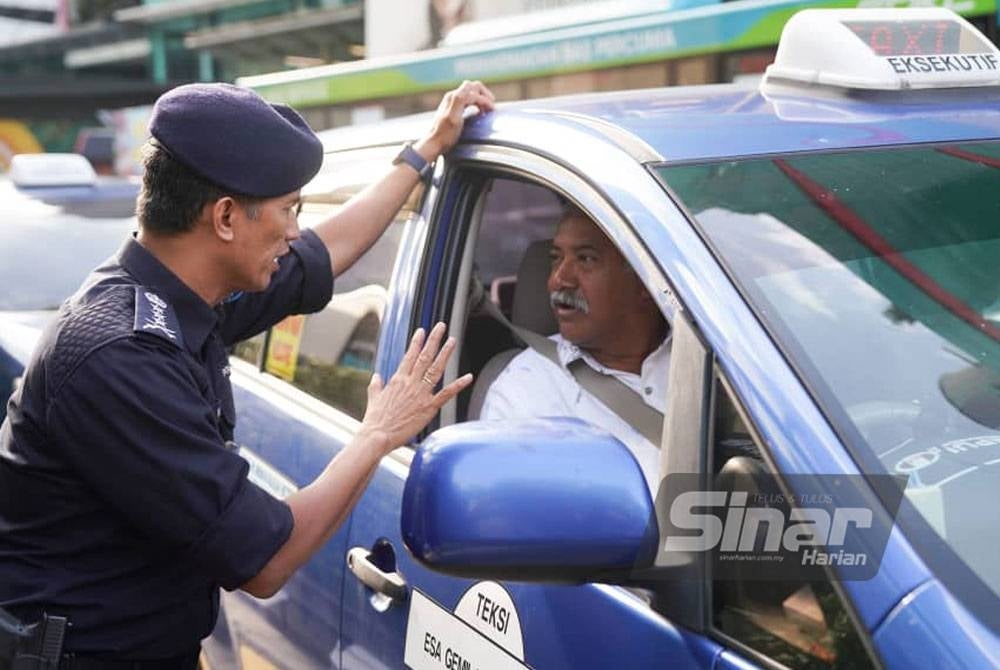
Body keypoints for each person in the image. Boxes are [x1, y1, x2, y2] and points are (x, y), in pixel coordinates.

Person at [0, 79, 494, 667]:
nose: (293, 231)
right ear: (226, 217)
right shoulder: (118, 356)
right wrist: (379, 434)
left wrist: (421, 153)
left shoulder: (182, 293)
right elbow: (264, 563)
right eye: (289, 210)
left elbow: (321, 255)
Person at [481, 206, 670, 487]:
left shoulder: (719, 366)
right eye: (556, 259)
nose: (559, 279)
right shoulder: (527, 390)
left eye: (586, 259)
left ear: (646, 281)